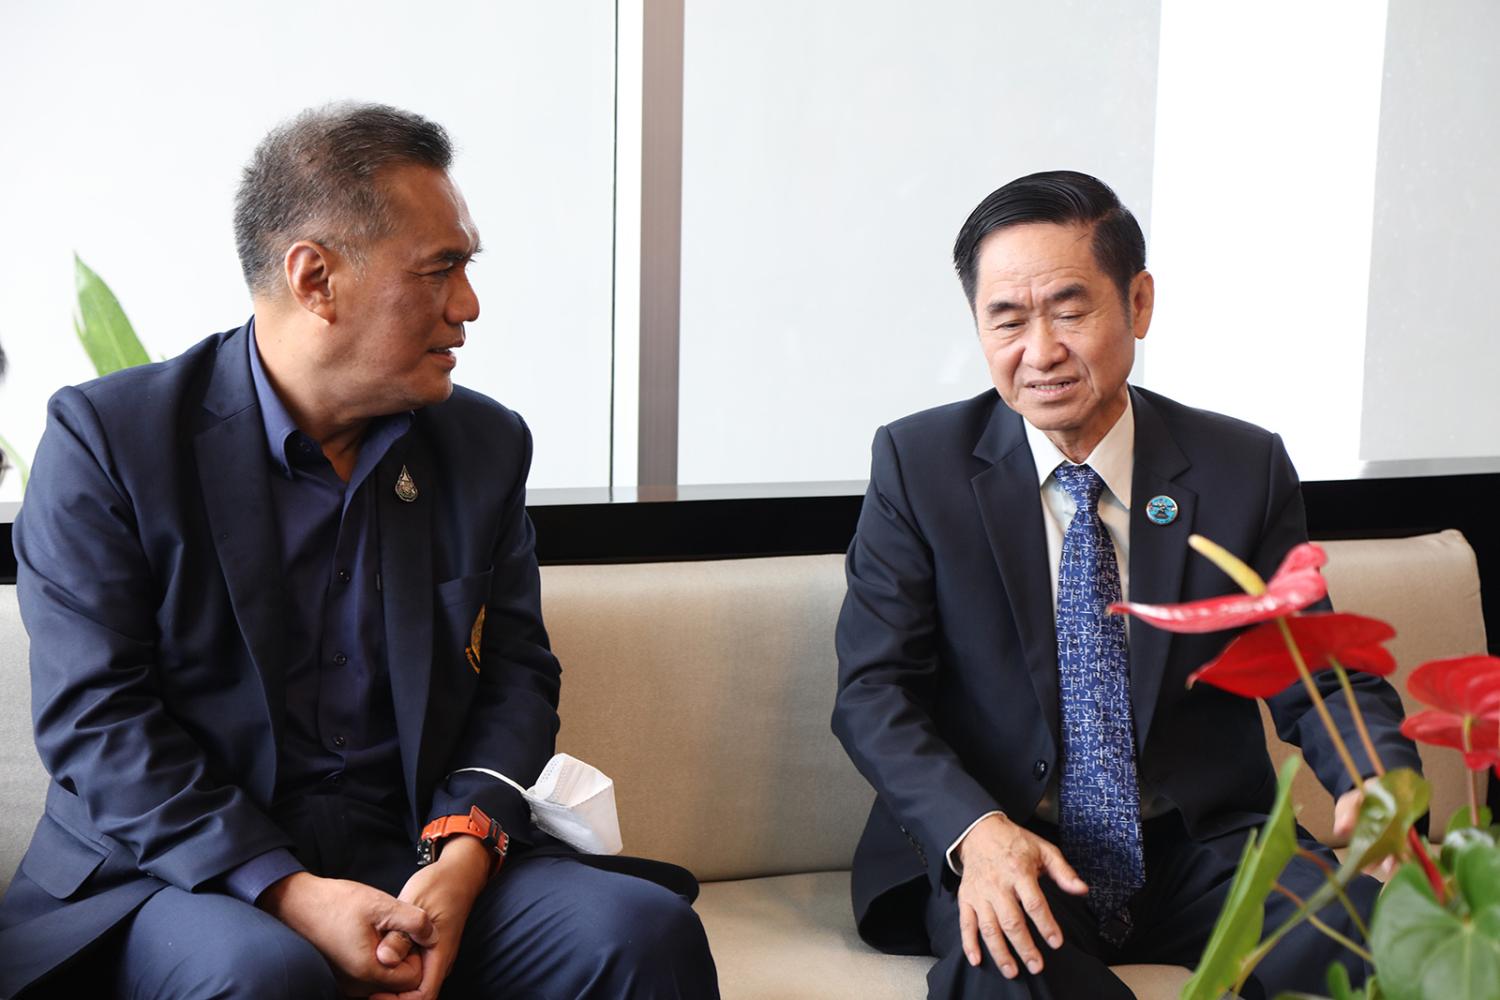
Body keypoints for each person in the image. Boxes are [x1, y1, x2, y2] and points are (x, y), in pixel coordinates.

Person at [0, 103, 718, 1000]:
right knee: (263, 975)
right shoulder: (111, 442)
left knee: (640, 934)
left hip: (417, 853)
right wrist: (289, 891)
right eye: (440, 269)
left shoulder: (482, 447)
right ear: (316, 279)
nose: (468, 305)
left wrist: (463, 853)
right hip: (186, 874)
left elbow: (517, 676)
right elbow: (99, 720)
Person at [830, 170, 1418, 1000]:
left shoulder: (1239, 467)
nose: (1040, 351)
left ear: (1138, 303)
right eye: (1008, 319)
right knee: (1005, 976)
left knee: (1374, 949)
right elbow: (874, 691)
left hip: (1205, 844)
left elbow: (1308, 663)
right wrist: (976, 831)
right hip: (1012, 839)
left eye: (1069, 311)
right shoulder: (919, 466)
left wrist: (1373, 775)